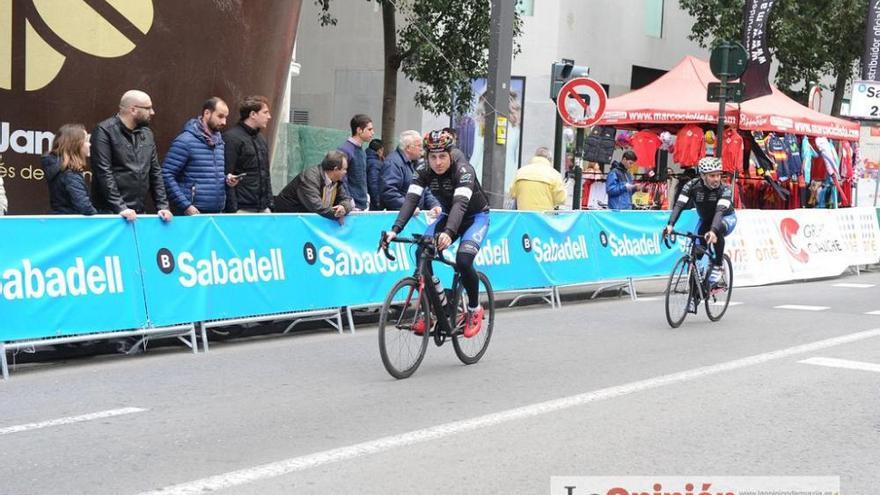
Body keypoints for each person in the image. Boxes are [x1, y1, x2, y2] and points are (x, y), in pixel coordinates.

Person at [381, 130, 490, 339]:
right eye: (433, 157)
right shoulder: (423, 170)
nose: (438, 162)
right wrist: (394, 230)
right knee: (422, 251)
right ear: (426, 156)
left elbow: (461, 204)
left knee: (464, 261)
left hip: (475, 217)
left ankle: (474, 309)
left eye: (442, 157)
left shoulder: (463, 169)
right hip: (450, 215)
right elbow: (410, 200)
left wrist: (449, 232)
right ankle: (435, 306)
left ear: (451, 154)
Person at [90, 90, 172, 222]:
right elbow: (104, 173)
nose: (152, 112)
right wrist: (120, 207)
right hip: (111, 214)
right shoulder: (104, 131)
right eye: (148, 108)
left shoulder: (147, 134)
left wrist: (163, 205)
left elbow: (155, 172)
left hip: (138, 211)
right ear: (133, 110)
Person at [664, 156, 737, 298]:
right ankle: (694, 296)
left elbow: (719, 212)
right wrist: (670, 225)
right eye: (712, 176)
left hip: (725, 219)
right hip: (705, 220)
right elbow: (679, 205)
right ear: (703, 175)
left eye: (718, 175)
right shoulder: (692, 186)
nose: (716, 179)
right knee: (695, 257)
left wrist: (714, 230)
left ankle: (718, 265)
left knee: (717, 230)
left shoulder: (725, 189)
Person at [162, 97, 232, 215]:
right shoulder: (185, 141)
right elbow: (166, 174)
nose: (224, 122)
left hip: (216, 211)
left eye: (225, 117)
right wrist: (185, 205)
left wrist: (227, 180)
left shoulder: (219, 142)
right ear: (207, 113)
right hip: (192, 213)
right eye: (220, 116)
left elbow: (208, 175)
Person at [273, 150, 353, 224]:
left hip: (304, 222)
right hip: (286, 221)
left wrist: (343, 207)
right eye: (344, 169)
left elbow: (346, 199)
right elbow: (316, 206)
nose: (346, 172)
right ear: (335, 169)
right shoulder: (309, 178)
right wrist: (336, 214)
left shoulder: (336, 181)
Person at [224, 95, 273, 213]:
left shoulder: (261, 139)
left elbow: (266, 174)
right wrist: (233, 209)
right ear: (253, 114)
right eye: (265, 112)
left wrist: (270, 204)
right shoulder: (231, 138)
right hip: (241, 209)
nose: (269, 116)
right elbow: (226, 174)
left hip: (263, 208)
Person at [42, 124, 98, 215]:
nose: (90, 144)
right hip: (72, 224)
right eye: (86, 141)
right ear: (75, 145)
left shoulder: (61, 169)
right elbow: (85, 207)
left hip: (62, 221)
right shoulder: (70, 173)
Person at [381, 130, 441, 213]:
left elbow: (425, 189)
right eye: (419, 146)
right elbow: (389, 192)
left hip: (414, 215)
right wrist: (408, 207)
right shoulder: (393, 163)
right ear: (408, 148)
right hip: (400, 217)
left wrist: (434, 205)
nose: (421, 149)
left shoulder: (416, 163)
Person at [508, 147, 566, 211]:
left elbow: (512, 194)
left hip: (524, 216)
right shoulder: (554, 174)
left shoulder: (520, 172)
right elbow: (561, 199)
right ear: (549, 159)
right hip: (543, 218)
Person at [337, 114, 373, 210]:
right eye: (369, 129)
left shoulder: (361, 150)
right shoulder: (344, 150)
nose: (372, 133)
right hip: (351, 206)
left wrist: (366, 197)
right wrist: (349, 201)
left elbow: (361, 177)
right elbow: (341, 179)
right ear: (359, 130)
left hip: (362, 204)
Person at [366, 138, 385, 210]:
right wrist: (378, 202)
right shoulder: (375, 163)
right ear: (380, 150)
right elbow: (374, 182)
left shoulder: (366, 158)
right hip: (373, 201)